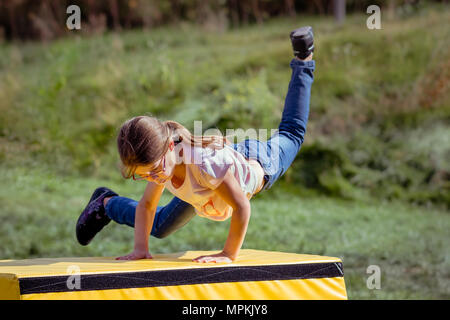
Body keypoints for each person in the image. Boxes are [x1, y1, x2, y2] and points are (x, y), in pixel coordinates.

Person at [76, 26, 315, 263]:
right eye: (144, 175)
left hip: (257, 161)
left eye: (155, 170)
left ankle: (303, 58)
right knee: (158, 226)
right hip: (205, 187)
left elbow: (241, 207)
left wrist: (228, 255)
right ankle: (105, 204)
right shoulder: (161, 165)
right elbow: (147, 205)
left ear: (170, 147)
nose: (154, 178)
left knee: (292, 132)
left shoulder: (204, 165)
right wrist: (140, 249)